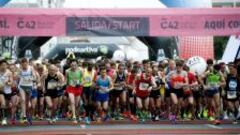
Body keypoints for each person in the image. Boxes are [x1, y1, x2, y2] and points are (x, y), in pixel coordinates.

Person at [18, 58, 39, 125]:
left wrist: (30, 78)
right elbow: (18, 77)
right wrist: (18, 75)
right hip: (22, 86)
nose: (24, 65)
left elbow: (35, 77)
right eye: (23, 64)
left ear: (27, 63)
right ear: (21, 64)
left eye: (25, 64)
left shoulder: (31, 68)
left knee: (27, 103)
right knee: (23, 100)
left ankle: (27, 116)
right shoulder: (20, 69)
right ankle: (24, 116)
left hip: (29, 87)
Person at [65, 59, 83, 124]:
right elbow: (66, 80)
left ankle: (71, 112)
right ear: (70, 65)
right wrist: (64, 85)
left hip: (78, 88)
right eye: (72, 65)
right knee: (72, 102)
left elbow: (82, 80)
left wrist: (80, 84)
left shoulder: (80, 71)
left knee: (76, 104)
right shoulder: (67, 71)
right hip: (70, 88)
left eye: (75, 65)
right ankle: (74, 117)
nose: (74, 67)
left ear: (77, 65)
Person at [0, 59, 13, 125]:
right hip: (0, 91)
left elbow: (11, 83)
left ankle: (3, 116)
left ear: (7, 66)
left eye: (5, 65)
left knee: (7, 105)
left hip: (7, 91)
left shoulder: (9, 73)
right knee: (3, 103)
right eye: (2, 65)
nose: (3, 66)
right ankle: (4, 119)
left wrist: (7, 83)